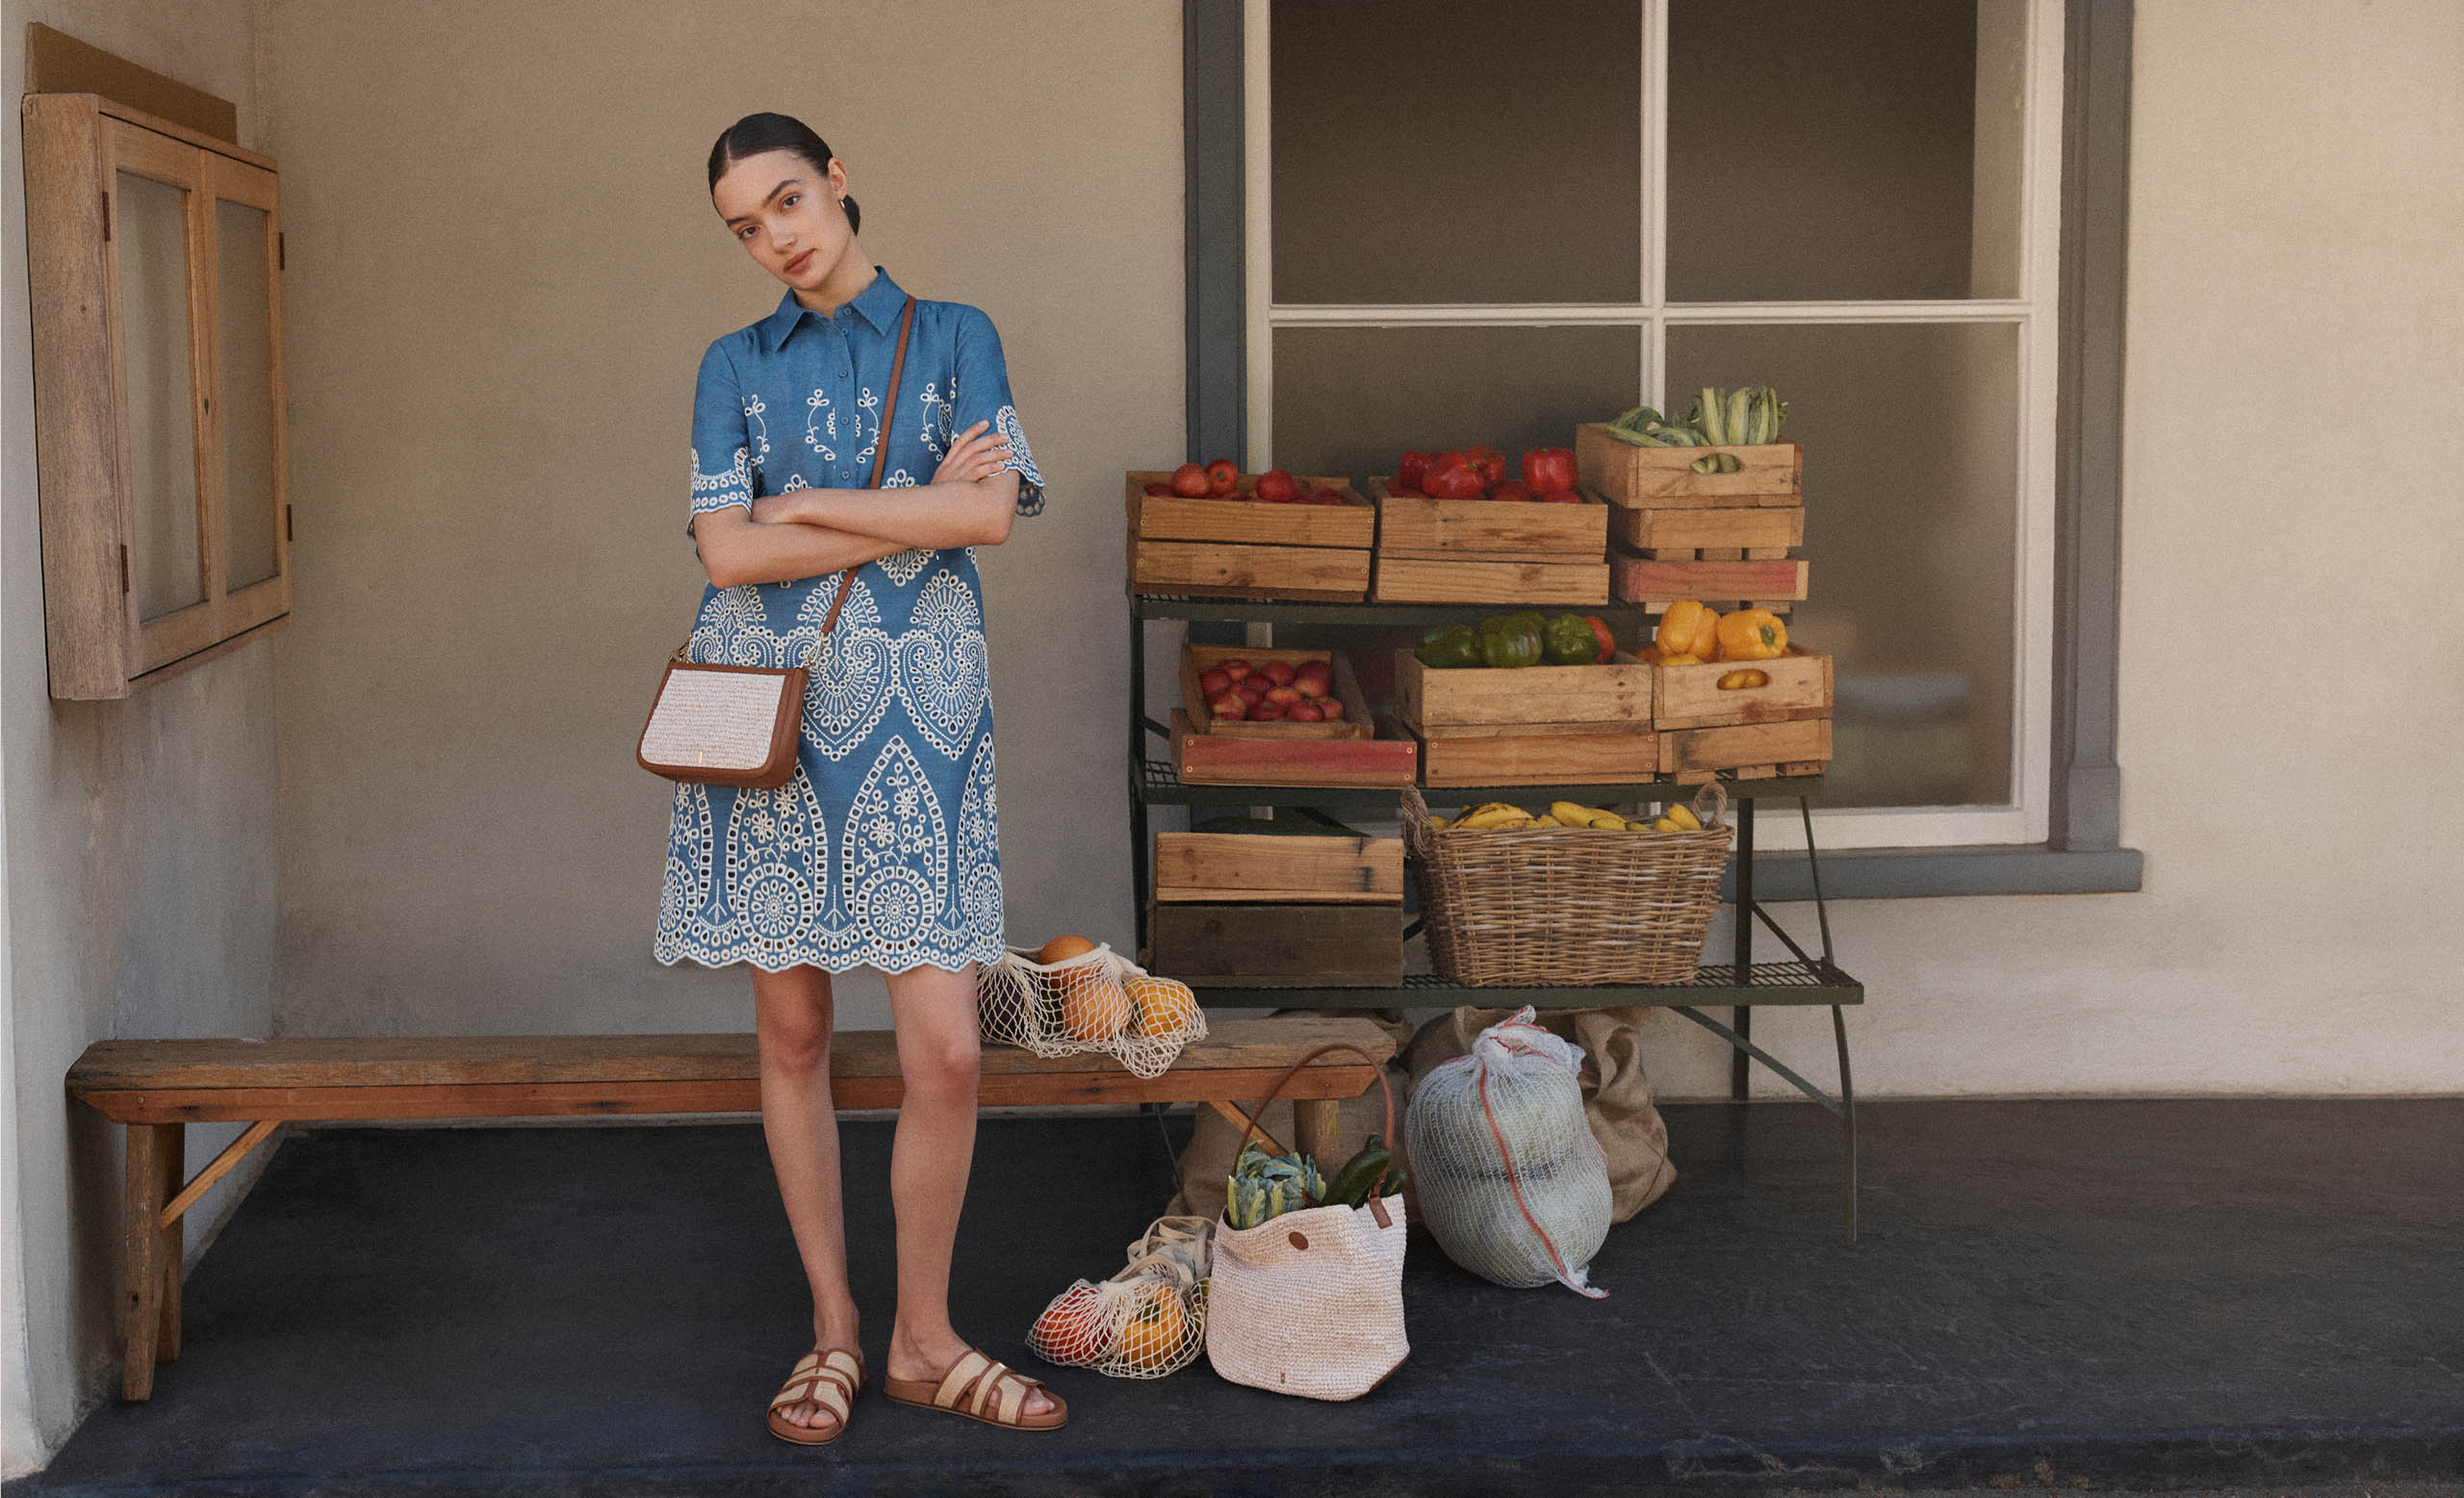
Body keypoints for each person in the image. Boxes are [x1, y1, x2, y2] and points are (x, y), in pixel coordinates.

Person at [655, 112, 1064, 1444]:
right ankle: (834, 1327)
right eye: (745, 226)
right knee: (793, 1036)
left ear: (836, 179)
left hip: (921, 720)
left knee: (946, 1049)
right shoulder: (731, 364)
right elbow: (726, 558)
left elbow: (986, 515)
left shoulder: (955, 335)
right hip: (770, 719)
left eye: (787, 200)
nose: (775, 236)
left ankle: (922, 1339)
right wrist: (899, 511)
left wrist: (799, 506)